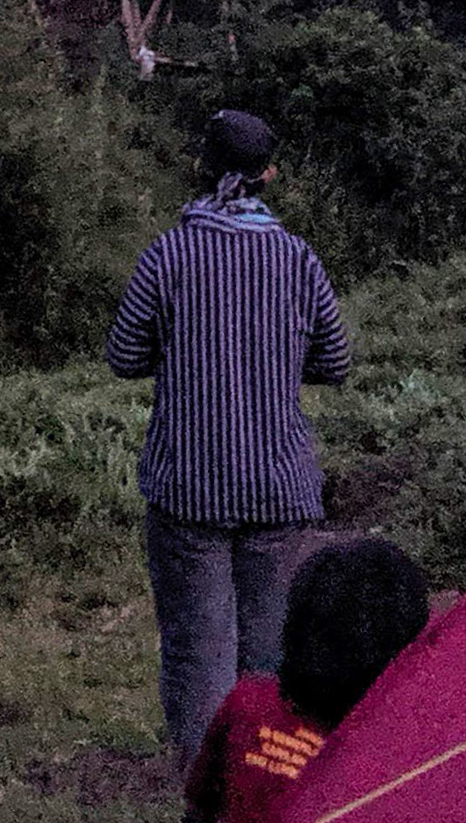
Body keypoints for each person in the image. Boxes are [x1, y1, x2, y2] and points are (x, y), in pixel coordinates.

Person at [107, 107, 356, 758]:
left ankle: (204, 797)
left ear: (202, 166)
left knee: (198, 656)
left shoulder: (167, 254)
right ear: (267, 174)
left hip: (188, 489)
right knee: (267, 659)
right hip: (277, 489)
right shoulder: (298, 259)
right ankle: (263, 787)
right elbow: (335, 362)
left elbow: (124, 355)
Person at [185, 536, 432, 822]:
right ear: (402, 645)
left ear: (295, 622)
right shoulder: (402, 755)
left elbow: (198, 810)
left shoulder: (247, 703)